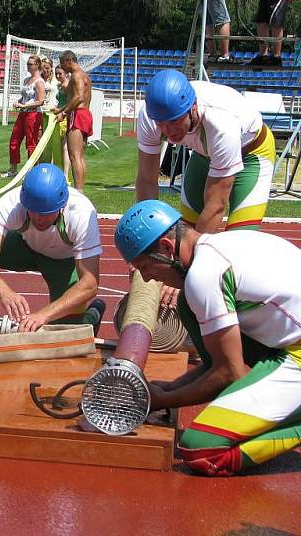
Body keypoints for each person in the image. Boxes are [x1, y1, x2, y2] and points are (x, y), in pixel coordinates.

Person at [115, 199, 301, 476]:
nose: (149, 279)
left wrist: (164, 401)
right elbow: (217, 363)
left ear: (167, 248)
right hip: (287, 338)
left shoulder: (203, 276)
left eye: (145, 267)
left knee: (201, 448)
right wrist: (169, 387)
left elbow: (229, 373)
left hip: (294, 351)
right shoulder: (220, 246)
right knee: (187, 307)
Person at [136, 69, 275, 235]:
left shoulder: (222, 125)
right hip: (205, 154)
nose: (168, 131)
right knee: (186, 231)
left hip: (251, 155)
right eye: (161, 123)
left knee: (240, 239)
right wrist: (150, 234)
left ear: (193, 106)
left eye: (175, 121)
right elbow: (146, 180)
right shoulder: (149, 116)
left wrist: (194, 255)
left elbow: (216, 206)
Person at [0, 163, 106, 334]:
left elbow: (90, 284)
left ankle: (92, 315)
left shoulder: (81, 213)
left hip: (62, 262)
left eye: (47, 212)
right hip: (23, 248)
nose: (39, 218)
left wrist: (43, 315)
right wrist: (4, 292)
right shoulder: (12, 203)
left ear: (62, 205)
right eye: (32, 211)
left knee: (66, 333)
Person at [1, 55, 46, 178]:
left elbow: (41, 101)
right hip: (23, 114)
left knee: (31, 143)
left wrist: (24, 106)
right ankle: (13, 169)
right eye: (27, 64)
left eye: (30, 64)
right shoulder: (27, 80)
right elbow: (24, 97)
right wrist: (19, 102)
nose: (28, 66)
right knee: (14, 140)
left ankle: (32, 171)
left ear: (37, 65)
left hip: (33, 114)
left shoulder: (39, 82)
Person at [55, 50, 93, 191]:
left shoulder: (76, 76)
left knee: (74, 155)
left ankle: (79, 191)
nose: (62, 66)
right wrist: (60, 109)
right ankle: (80, 190)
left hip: (78, 115)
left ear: (69, 61)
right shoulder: (84, 75)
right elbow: (77, 98)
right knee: (80, 156)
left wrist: (64, 113)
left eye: (62, 63)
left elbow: (78, 98)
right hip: (85, 114)